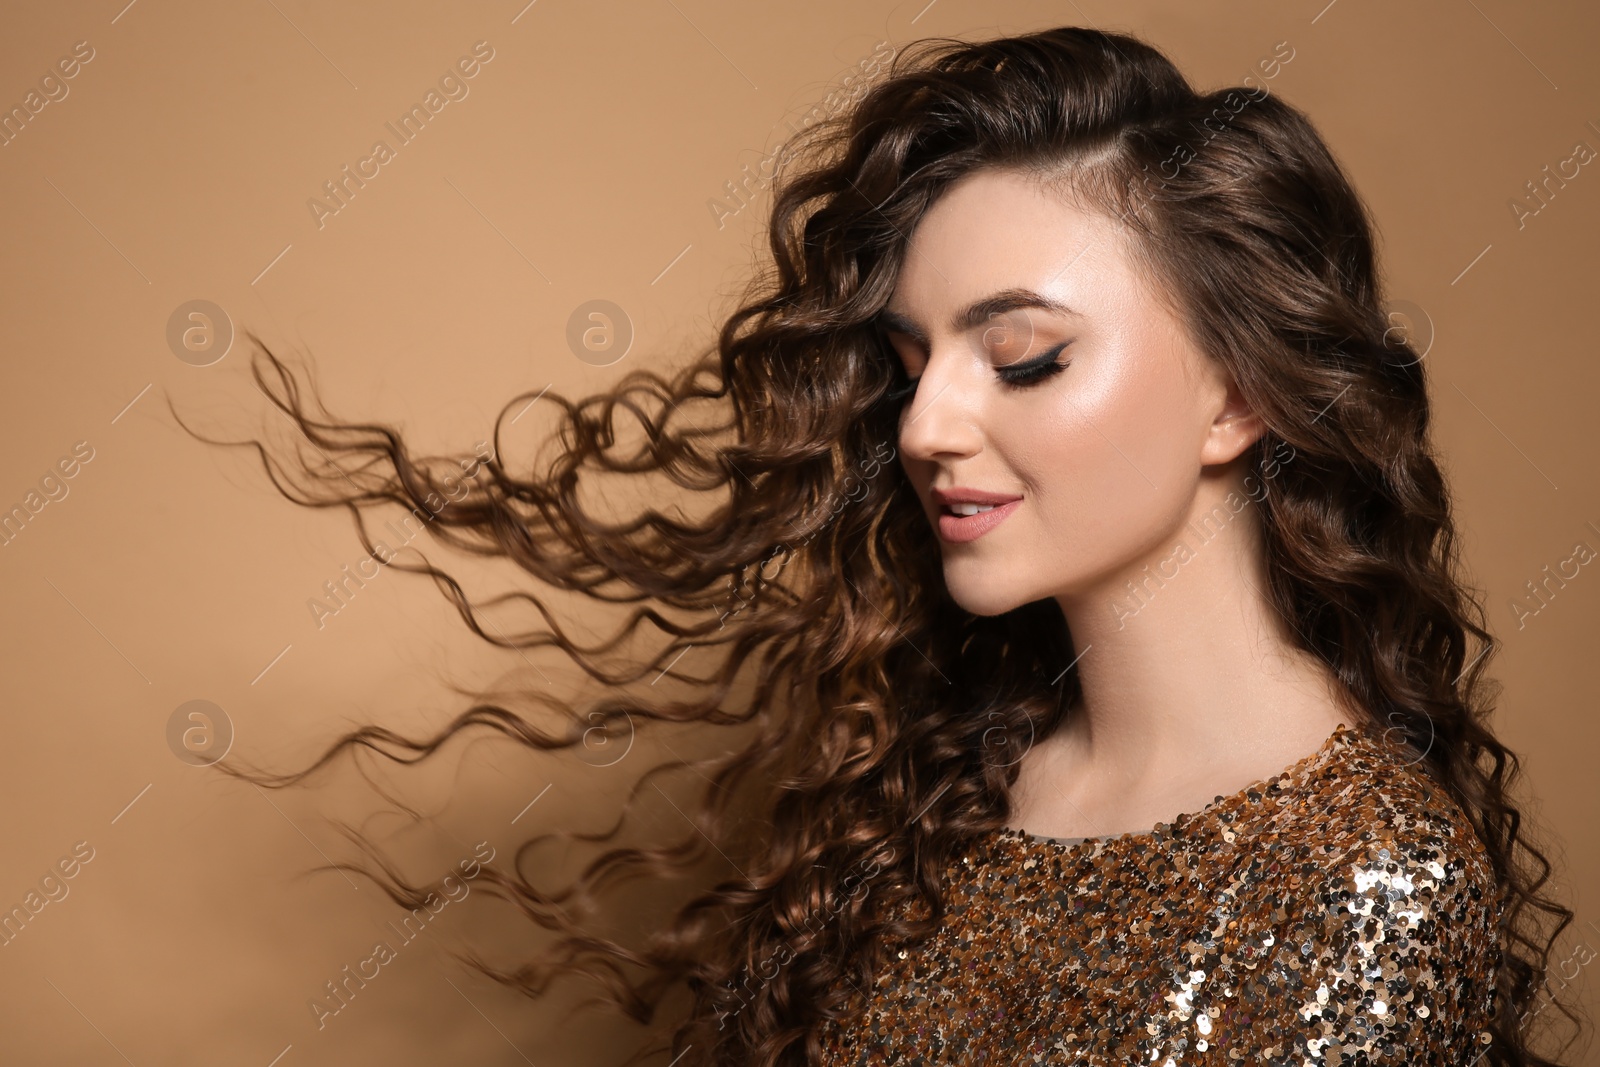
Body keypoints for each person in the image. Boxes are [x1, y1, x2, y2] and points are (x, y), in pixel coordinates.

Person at [205, 24, 1580, 1067]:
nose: (925, 424)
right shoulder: (945, 796)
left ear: (1237, 396)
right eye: (912, 361)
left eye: (1024, 358)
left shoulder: (1369, 887)